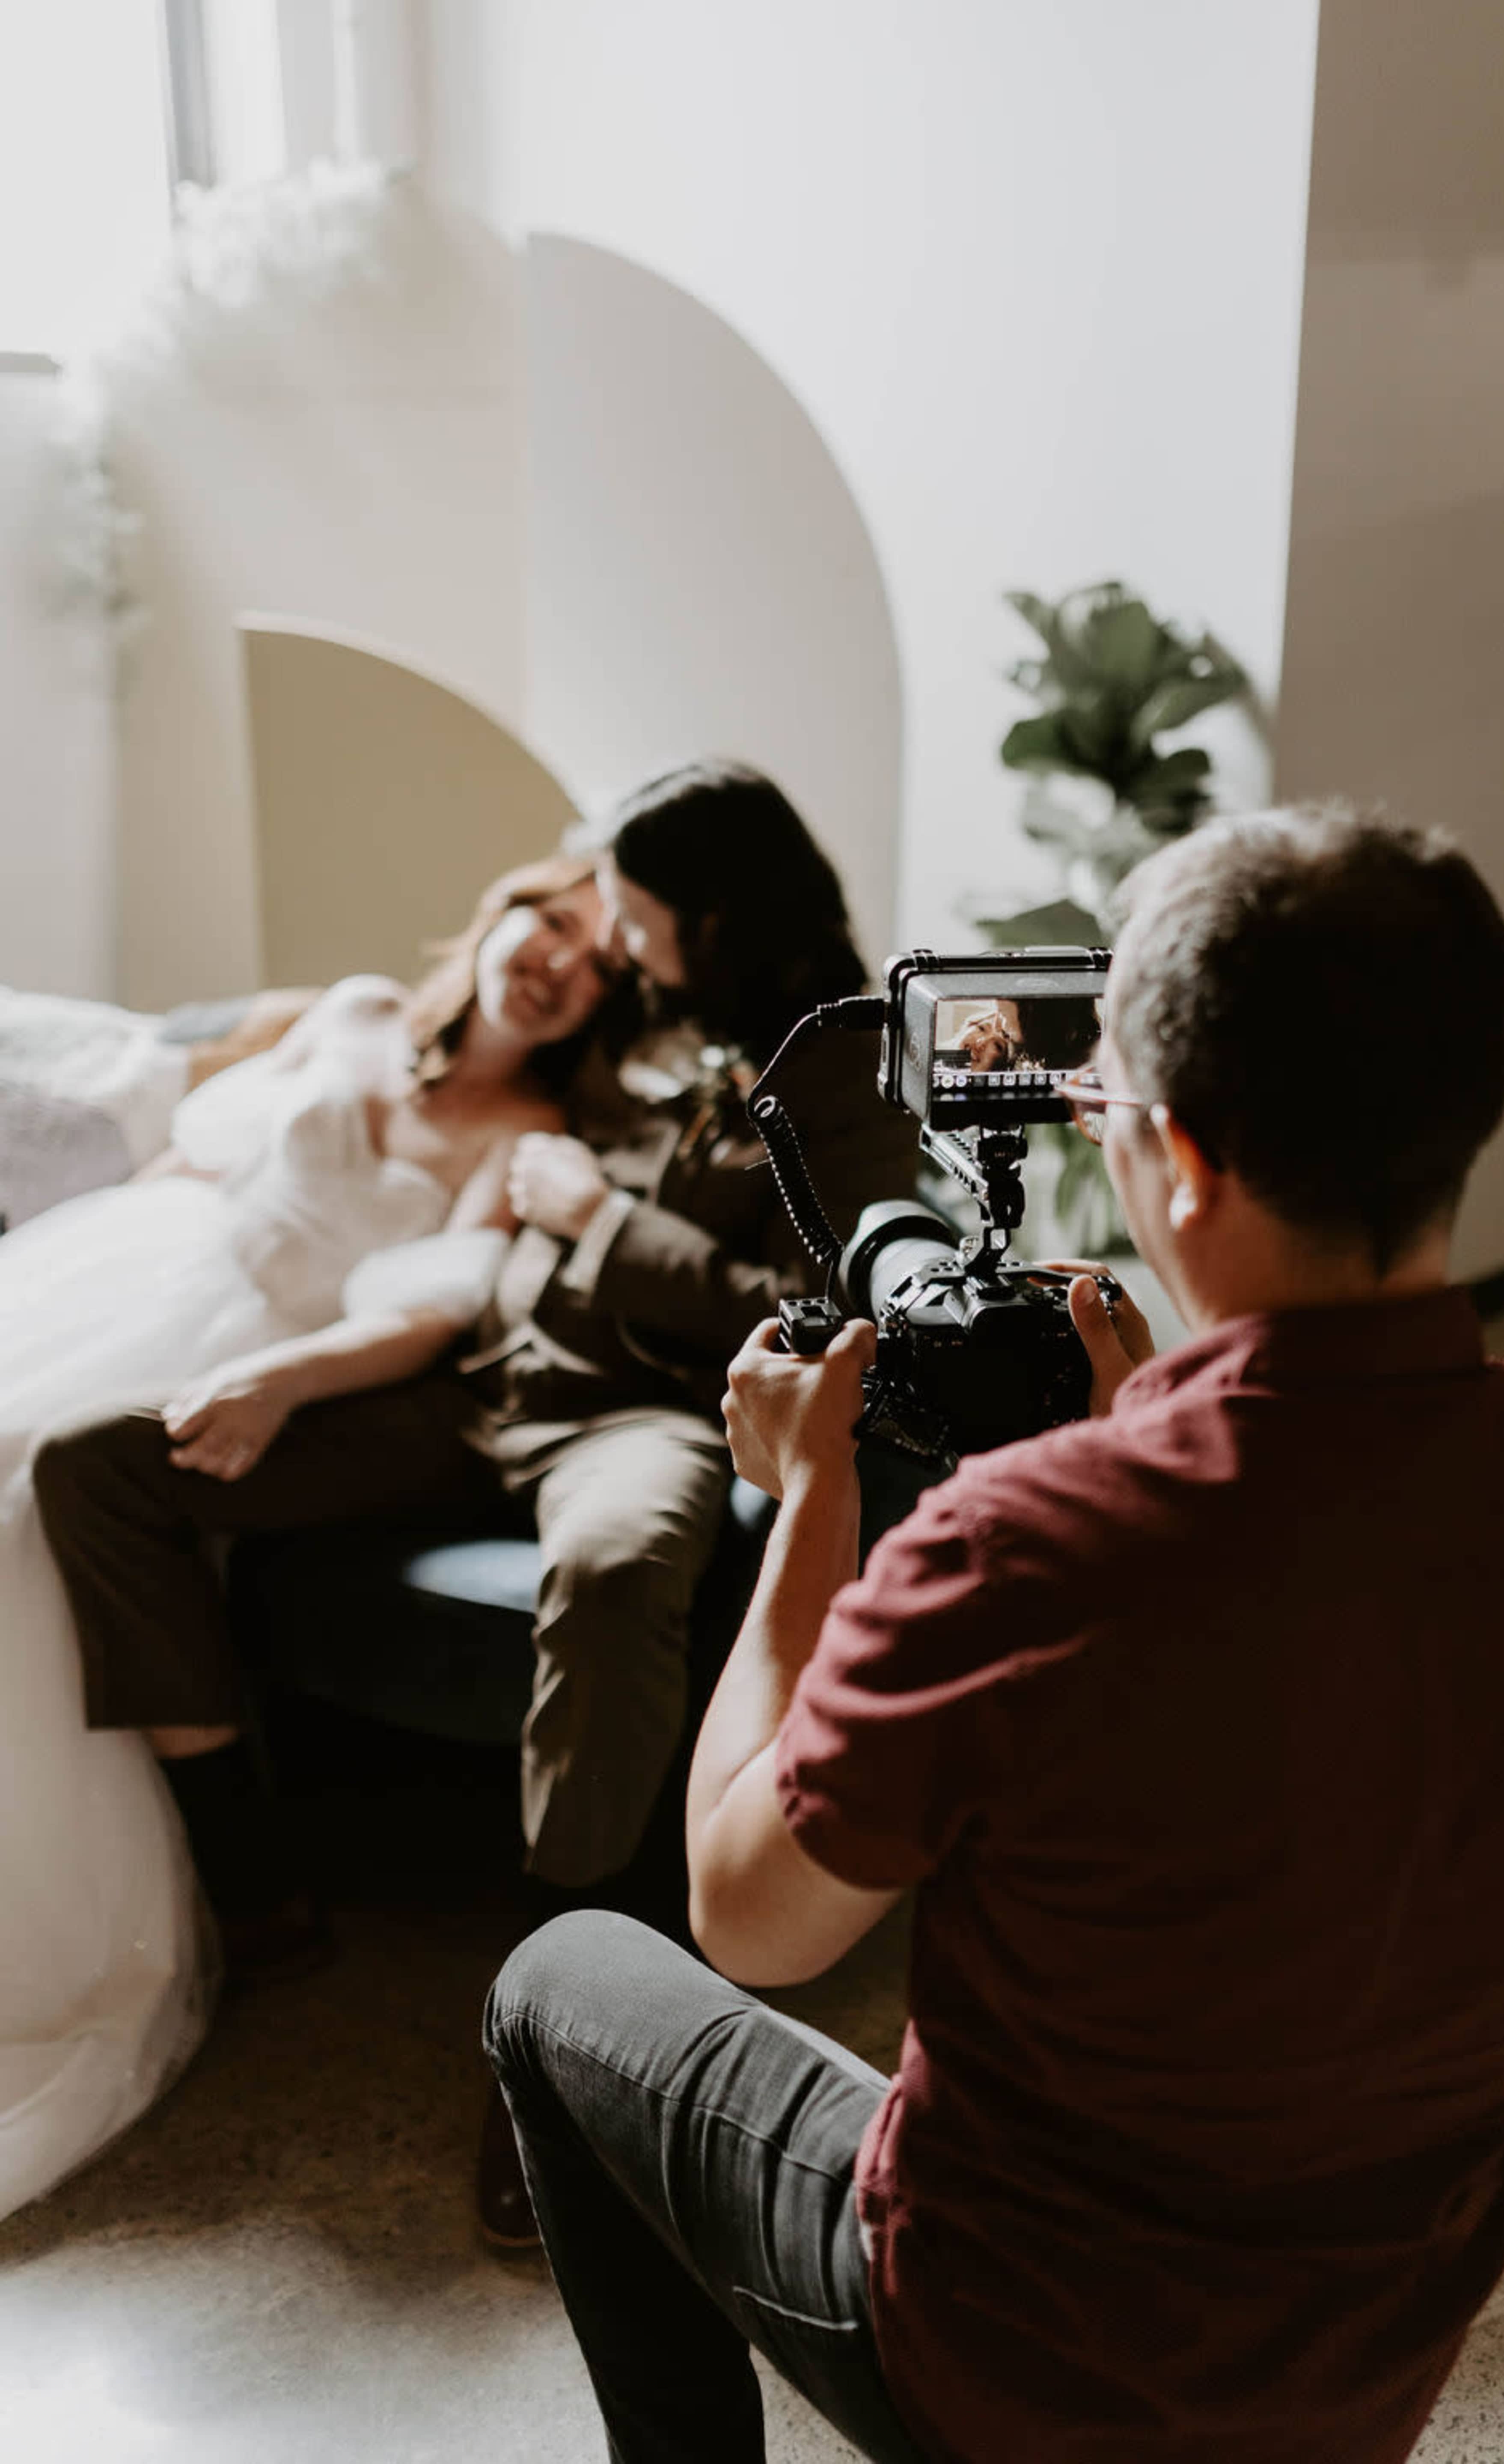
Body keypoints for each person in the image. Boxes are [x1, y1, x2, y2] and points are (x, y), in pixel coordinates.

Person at [484, 806, 1504, 2464]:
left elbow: (747, 1917)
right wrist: (1147, 1421)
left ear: (1177, 1157)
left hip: (1019, 2367)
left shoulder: (1016, 1550)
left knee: (556, 1979)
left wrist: (812, 1490)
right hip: (1370, 2365)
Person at [36, 760, 918, 2235]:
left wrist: (604, 1220)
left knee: (628, 1564)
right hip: (467, 1377)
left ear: (709, 914)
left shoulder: (843, 1060)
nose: (616, 943)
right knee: (98, 1468)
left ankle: (560, 2048)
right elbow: (478, 1020)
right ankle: (256, 1885)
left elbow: (826, 1307)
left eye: (633, 915)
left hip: (629, 1416)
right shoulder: (646, 1017)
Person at [0, 851, 610, 2223]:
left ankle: (214, 1900)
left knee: (46, 1488)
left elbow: (433, 1313)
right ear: (498, 907)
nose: (556, 956)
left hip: (307, 1349)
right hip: (158, 1264)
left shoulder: (531, 1138)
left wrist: (278, 1382)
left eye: (593, 957)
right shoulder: (351, 1010)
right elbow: (200, 1128)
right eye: (546, 917)